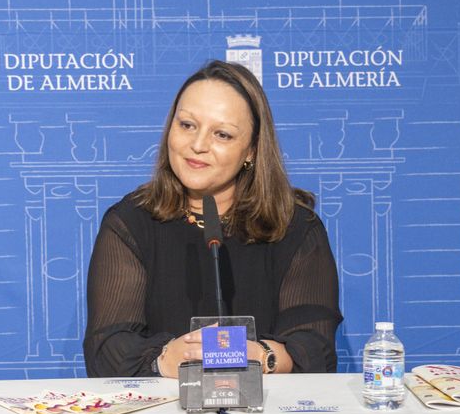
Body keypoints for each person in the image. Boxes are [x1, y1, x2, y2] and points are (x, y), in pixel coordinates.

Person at [83, 60, 342, 377]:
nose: (198, 145)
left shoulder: (295, 227)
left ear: (251, 150)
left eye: (222, 134)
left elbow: (316, 349)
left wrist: (262, 357)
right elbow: (106, 349)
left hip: (266, 405)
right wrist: (165, 359)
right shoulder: (130, 222)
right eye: (187, 125)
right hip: (168, 406)